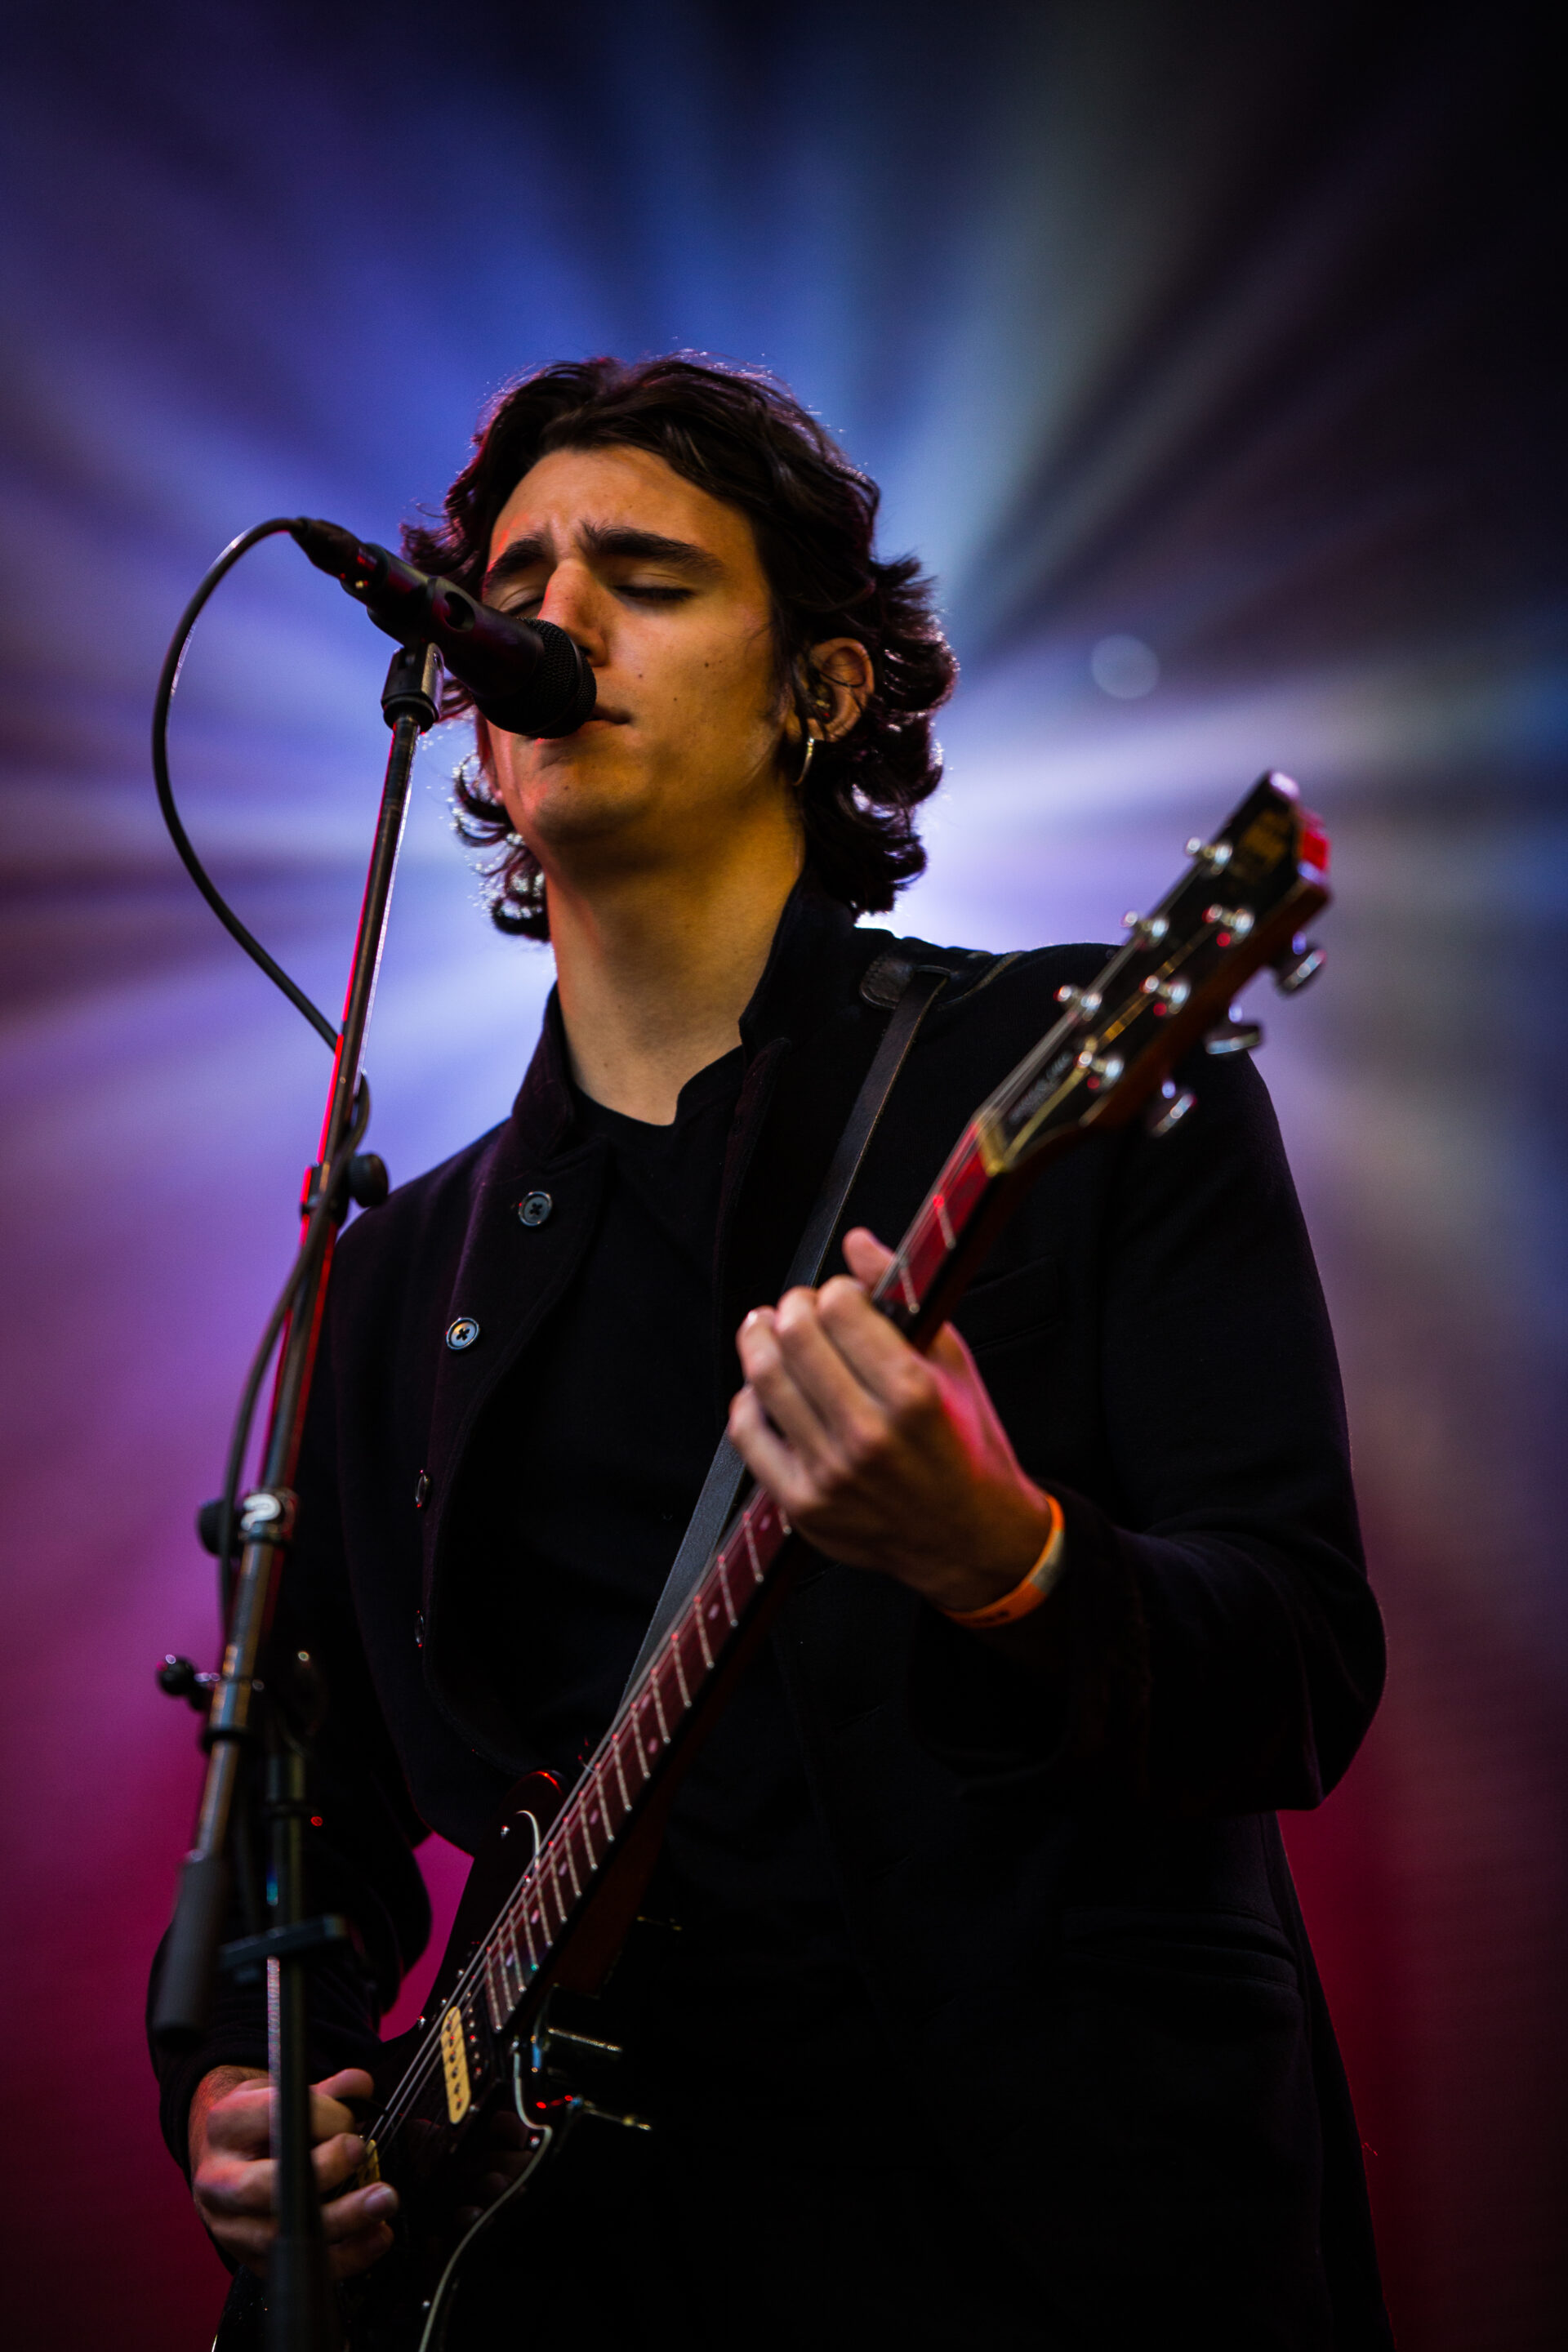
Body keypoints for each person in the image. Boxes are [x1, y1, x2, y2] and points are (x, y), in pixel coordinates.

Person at [152, 355, 1391, 2347]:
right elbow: (301, 1814)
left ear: (820, 688)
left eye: (644, 577)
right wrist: (241, 2086)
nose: (555, 616)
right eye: (514, 586)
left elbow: (1300, 1676)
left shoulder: (1059, 1071)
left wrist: (1006, 1558)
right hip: (550, 2272)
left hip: (1033, 2237)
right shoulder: (393, 1276)